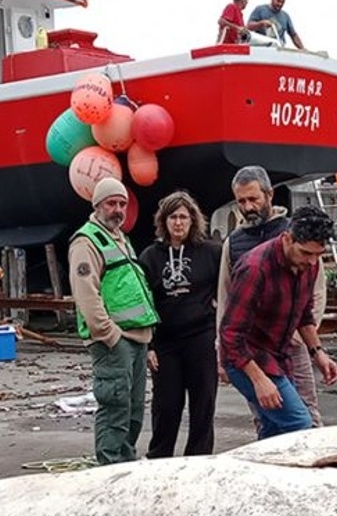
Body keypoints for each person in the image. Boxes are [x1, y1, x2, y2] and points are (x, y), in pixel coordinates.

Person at [217, 165, 327, 426]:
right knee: (287, 419)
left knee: (302, 414)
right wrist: (221, 352)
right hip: (251, 348)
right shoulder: (240, 249)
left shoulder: (304, 242)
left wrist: (315, 348)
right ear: (287, 242)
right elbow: (225, 303)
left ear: (269, 195)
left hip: (292, 343)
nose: (248, 207)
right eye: (241, 201)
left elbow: (311, 300)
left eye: (253, 199)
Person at [69, 177, 158, 466]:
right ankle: (109, 466)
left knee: (133, 410)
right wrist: (108, 334)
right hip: (114, 340)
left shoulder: (121, 239)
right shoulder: (86, 241)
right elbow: (86, 291)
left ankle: (125, 462)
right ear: (97, 205)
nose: (117, 209)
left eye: (122, 203)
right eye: (111, 203)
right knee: (115, 406)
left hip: (136, 338)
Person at [139, 191, 221, 457]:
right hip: (165, 342)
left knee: (203, 402)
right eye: (173, 217)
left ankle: (199, 457)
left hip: (201, 337)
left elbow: (228, 289)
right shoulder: (150, 256)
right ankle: (159, 457)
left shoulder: (211, 253)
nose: (178, 223)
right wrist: (148, 345)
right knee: (166, 405)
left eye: (183, 217)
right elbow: (143, 303)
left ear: (193, 220)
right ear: (164, 221)